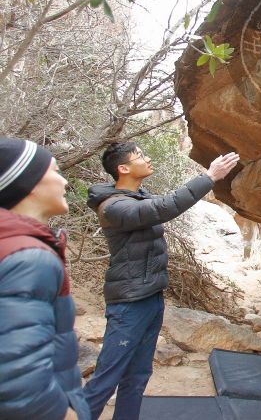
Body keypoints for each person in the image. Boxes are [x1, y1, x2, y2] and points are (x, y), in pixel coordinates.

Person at [81, 142, 239, 420]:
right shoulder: (113, 207)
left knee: (138, 375)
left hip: (150, 297)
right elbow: (165, 207)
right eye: (140, 155)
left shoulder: (136, 196)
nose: (148, 157)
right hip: (129, 304)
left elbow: (159, 206)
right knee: (106, 378)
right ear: (123, 168)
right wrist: (209, 177)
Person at [0, 137, 91, 420]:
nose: (64, 181)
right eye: (55, 171)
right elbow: (16, 382)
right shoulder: (29, 258)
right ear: (30, 183)